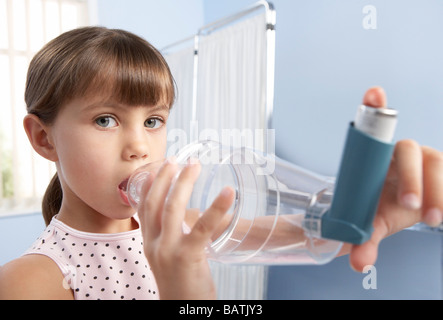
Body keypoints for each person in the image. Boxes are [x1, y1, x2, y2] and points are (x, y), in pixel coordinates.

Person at [0, 26, 442, 300]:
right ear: (44, 137)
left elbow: (324, 236)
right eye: (105, 119)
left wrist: (370, 206)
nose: (139, 147)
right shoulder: (32, 281)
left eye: (153, 120)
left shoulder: (190, 226)